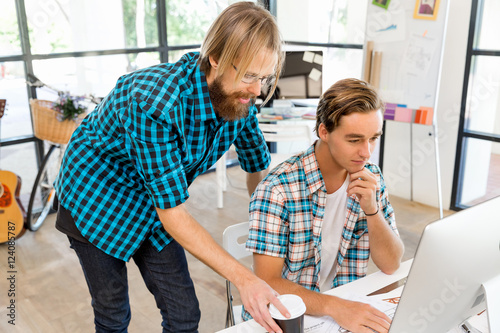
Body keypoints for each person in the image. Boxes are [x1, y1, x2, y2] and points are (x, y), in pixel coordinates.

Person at [54, 2, 290, 332]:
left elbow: (257, 170)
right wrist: (244, 278)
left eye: (264, 77)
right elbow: (174, 215)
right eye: (249, 75)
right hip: (95, 198)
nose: (257, 90)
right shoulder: (154, 103)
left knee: (184, 314)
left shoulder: (242, 101)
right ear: (216, 59)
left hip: (155, 203)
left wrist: (264, 224)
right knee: (113, 312)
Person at [244, 78, 405, 333]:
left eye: (373, 138)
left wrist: (372, 211)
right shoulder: (276, 190)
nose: (366, 152)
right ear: (324, 132)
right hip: (286, 316)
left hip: (344, 306)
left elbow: (391, 264)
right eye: (354, 140)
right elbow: (268, 282)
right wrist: (336, 307)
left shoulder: (370, 176)